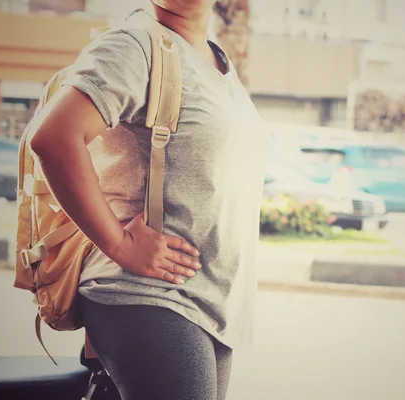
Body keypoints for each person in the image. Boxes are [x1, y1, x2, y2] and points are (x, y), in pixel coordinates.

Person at [29, 1, 271, 399]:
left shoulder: (214, 61)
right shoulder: (135, 46)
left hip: (210, 304)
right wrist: (119, 243)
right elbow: (54, 138)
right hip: (150, 297)